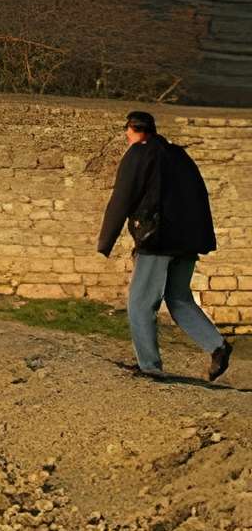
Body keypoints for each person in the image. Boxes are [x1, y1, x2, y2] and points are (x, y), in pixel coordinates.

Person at [97, 110, 232, 382]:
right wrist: (202, 238)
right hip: (187, 241)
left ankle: (150, 366)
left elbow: (122, 197)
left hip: (158, 240)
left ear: (133, 130)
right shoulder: (179, 155)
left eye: (127, 131)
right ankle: (217, 346)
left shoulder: (138, 154)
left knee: (140, 303)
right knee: (179, 298)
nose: (126, 135)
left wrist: (105, 241)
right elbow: (199, 196)